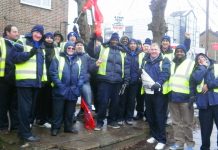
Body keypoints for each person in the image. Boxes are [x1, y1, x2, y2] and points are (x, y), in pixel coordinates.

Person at [13, 25, 46, 142]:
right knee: (25, 109)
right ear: (32, 32)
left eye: (40, 34)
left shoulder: (41, 46)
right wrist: (29, 54)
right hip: (25, 82)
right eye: (36, 32)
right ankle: (25, 134)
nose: (38, 35)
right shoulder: (22, 41)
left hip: (36, 83)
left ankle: (24, 131)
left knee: (31, 110)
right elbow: (15, 57)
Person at [93, 33, 130, 131]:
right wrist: (100, 41)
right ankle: (99, 122)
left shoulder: (123, 52)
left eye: (116, 40)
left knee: (115, 103)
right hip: (104, 81)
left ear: (118, 41)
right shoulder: (103, 48)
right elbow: (93, 52)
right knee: (103, 103)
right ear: (110, 40)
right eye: (113, 39)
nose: (114, 41)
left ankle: (111, 121)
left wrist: (126, 79)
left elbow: (126, 67)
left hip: (117, 82)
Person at [49, 41, 84, 136]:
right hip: (60, 89)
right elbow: (53, 73)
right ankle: (55, 128)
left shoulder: (79, 60)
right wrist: (60, 85)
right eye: (69, 48)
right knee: (57, 111)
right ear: (65, 48)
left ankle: (68, 128)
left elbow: (82, 75)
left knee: (70, 112)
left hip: (73, 90)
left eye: (73, 48)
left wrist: (78, 87)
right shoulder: (58, 58)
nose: (71, 50)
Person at [142, 43, 170, 150]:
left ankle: (162, 139)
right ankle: (154, 135)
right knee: (150, 115)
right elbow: (144, 73)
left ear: (159, 50)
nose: (153, 51)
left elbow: (165, 73)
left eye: (155, 49)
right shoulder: (145, 60)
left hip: (159, 93)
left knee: (159, 116)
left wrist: (158, 83)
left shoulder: (164, 60)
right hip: (148, 92)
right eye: (152, 49)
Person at [168, 44, 195, 150]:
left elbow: (194, 81)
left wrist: (193, 96)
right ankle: (179, 142)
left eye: (181, 51)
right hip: (172, 97)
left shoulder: (191, 63)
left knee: (187, 123)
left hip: (186, 98)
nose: (179, 53)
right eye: (177, 51)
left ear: (185, 53)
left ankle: (189, 144)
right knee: (175, 122)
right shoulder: (172, 63)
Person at [190, 53, 218, 150]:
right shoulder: (196, 70)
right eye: (198, 59)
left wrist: (209, 85)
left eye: (203, 57)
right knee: (205, 131)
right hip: (204, 104)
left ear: (207, 58)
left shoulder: (216, 66)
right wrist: (203, 67)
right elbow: (196, 79)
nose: (201, 59)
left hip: (216, 102)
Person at [118, 39, 142, 125]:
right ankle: (120, 117)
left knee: (131, 101)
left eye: (134, 43)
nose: (132, 45)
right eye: (131, 43)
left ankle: (129, 117)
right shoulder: (124, 53)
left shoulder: (140, 54)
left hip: (135, 82)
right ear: (128, 45)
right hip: (124, 81)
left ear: (137, 45)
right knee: (122, 100)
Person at [0, 25, 19, 131]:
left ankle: (15, 126)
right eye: (14, 31)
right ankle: (2, 126)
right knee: (3, 104)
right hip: (3, 79)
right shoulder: (1, 42)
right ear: (7, 32)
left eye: (17, 31)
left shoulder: (18, 44)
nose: (17, 33)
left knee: (14, 105)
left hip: (15, 79)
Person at [35, 32, 55, 128]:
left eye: (51, 38)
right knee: (40, 100)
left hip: (51, 79)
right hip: (42, 78)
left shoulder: (55, 49)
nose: (49, 39)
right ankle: (40, 120)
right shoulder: (41, 48)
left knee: (48, 100)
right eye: (47, 37)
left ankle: (45, 119)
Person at [75, 39, 98, 119]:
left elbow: (91, 68)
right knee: (71, 102)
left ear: (83, 47)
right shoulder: (72, 55)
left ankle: (88, 119)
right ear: (75, 46)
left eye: (81, 45)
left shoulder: (86, 56)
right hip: (73, 82)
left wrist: (96, 64)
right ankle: (70, 118)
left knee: (88, 101)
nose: (79, 46)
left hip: (85, 82)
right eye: (77, 45)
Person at [135, 38, 152, 121]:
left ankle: (147, 113)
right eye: (145, 46)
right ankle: (139, 113)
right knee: (139, 98)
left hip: (148, 79)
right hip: (139, 79)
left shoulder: (152, 55)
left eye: (148, 46)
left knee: (148, 98)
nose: (146, 48)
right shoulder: (139, 54)